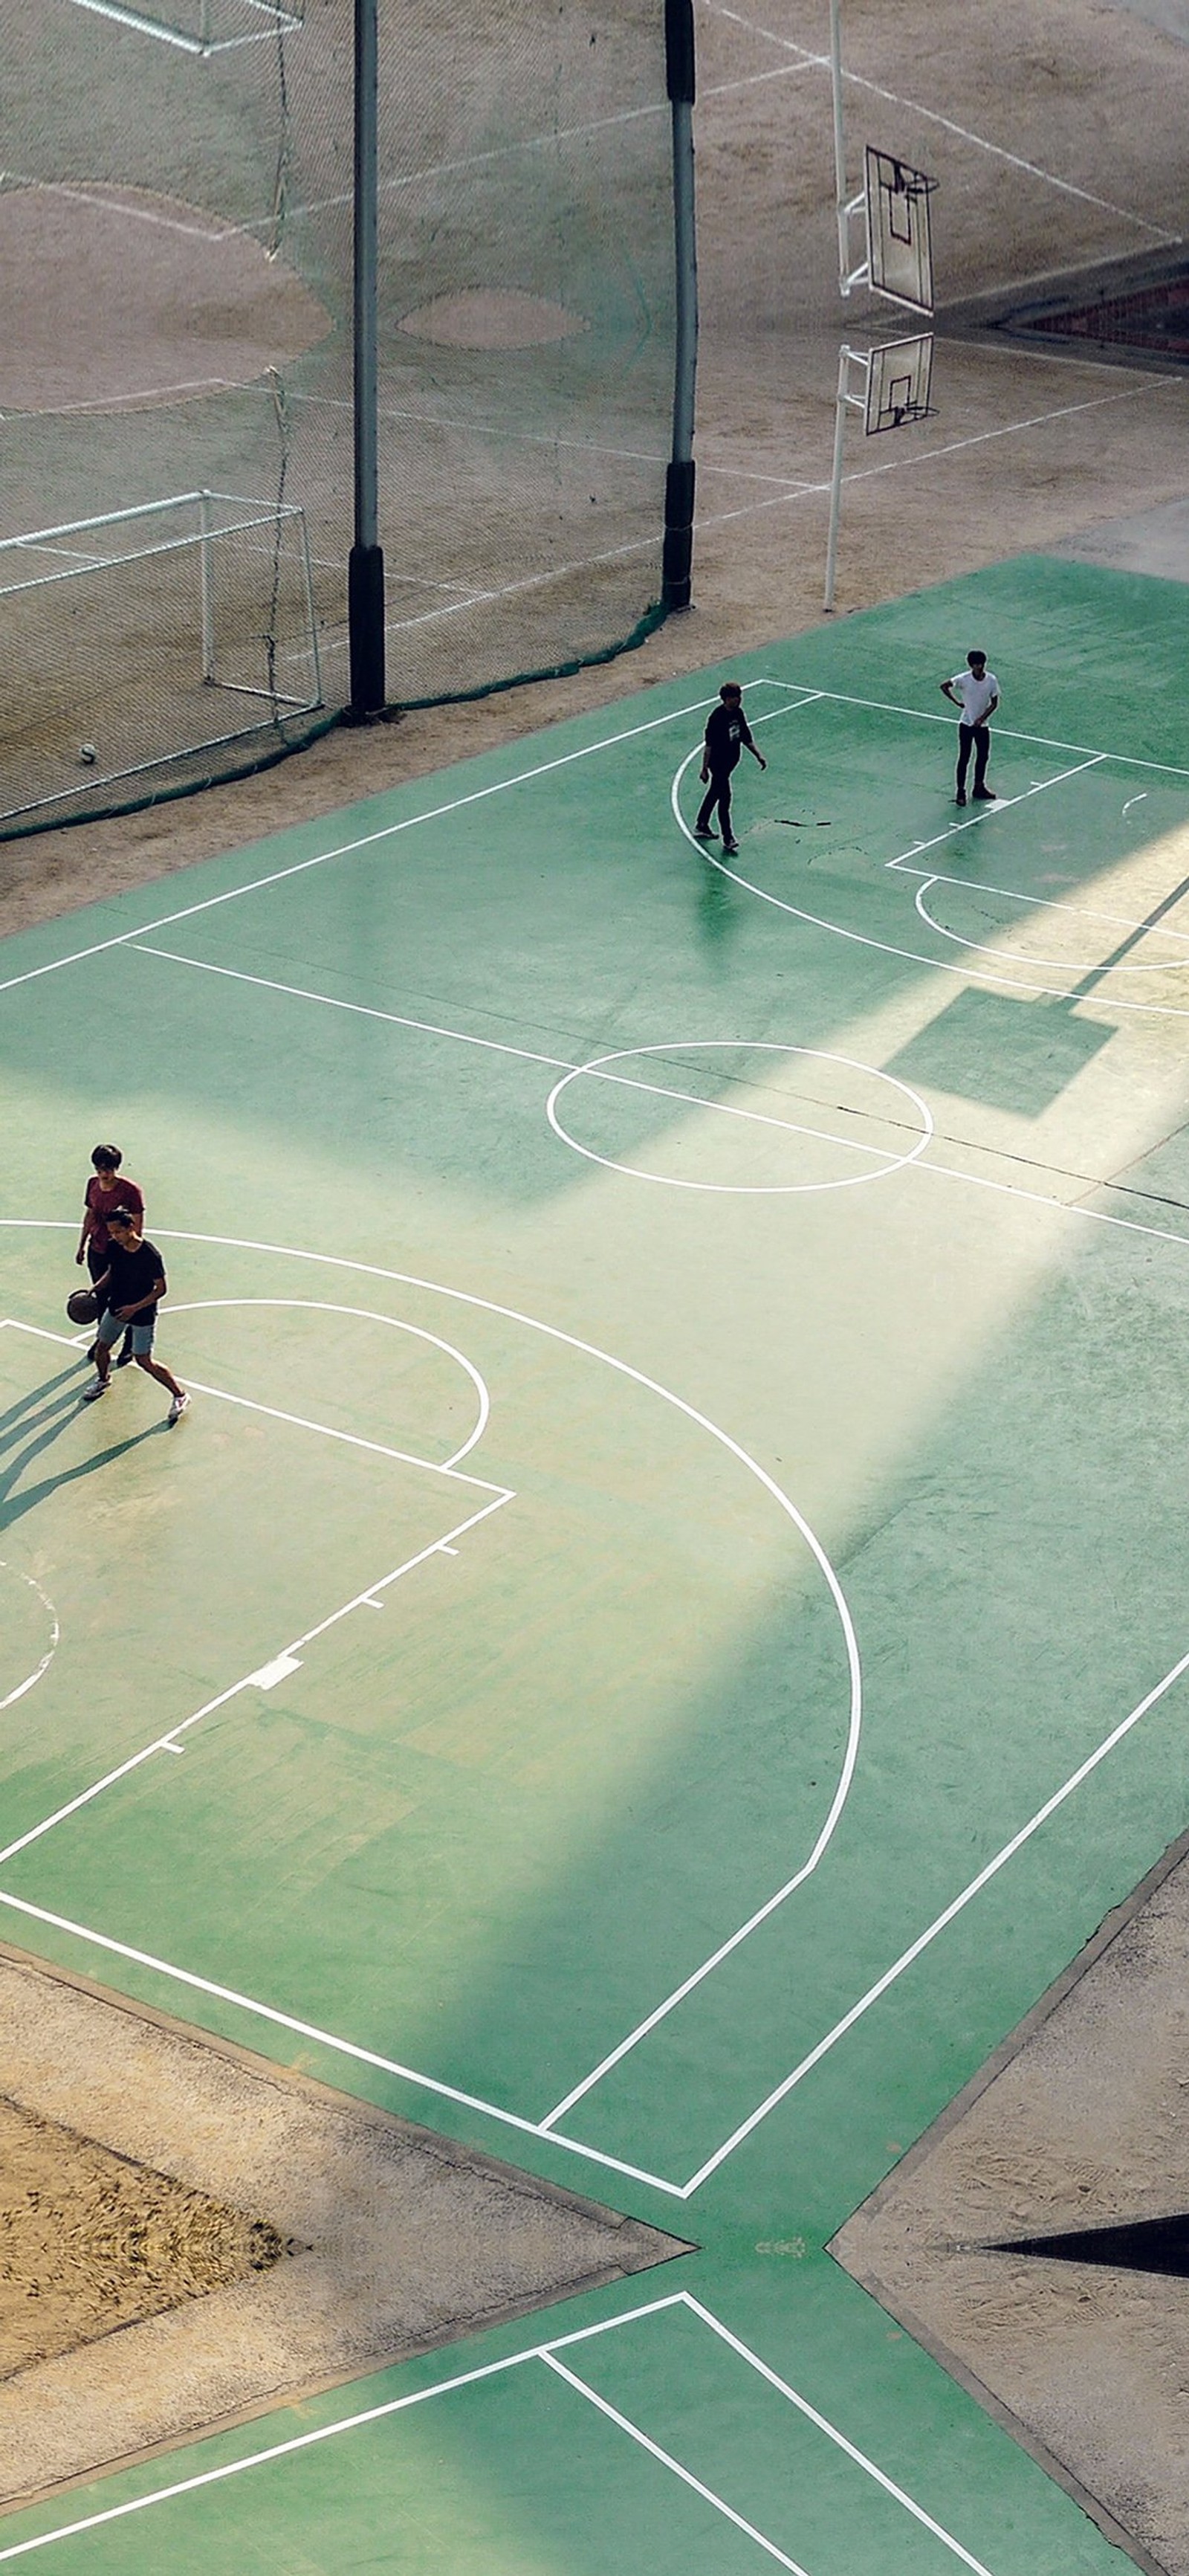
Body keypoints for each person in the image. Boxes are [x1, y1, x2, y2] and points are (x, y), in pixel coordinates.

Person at [82, 1210, 189, 1424]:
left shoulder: (150, 1255)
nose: (114, 1236)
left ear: (131, 1227)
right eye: (111, 1232)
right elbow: (112, 1271)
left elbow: (161, 1289)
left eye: (118, 1231)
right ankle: (103, 1380)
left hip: (142, 1313)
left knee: (143, 1360)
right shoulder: (114, 1247)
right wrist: (95, 1288)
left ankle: (180, 1395)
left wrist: (135, 1307)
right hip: (117, 1307)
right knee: (102, 1348)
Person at [76, 1145, 145, 1368]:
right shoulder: (92, 1185)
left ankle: (129, 1344)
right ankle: (103, 1339)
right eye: (100, 1169)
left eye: (109, 1169)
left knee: (124, 1297)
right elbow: (90, 1214)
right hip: (98, 1250)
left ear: (116, 1168)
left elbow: (137, 1224)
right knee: (102, 1298)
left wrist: (131, 1253)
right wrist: (82, 1244)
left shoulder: (130, 1191)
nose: (104, 1174)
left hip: (121, 1252)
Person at [694, 682, 767, 856]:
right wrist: (704, 769)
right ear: (727, 699)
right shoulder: (716, 718)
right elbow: (709, 746)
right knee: (725, 798)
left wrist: (758, 754)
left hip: (730, 763)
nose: (739, 700)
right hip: (718, 764)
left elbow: (745, 736)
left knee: (715, 793)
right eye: (736, 697)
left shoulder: (738, 713)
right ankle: (728, 838)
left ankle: (702, 824)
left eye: (740, 697)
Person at [941, 650, 1000, 806]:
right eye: (977, 665)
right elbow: (945, 686)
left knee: (983, 757)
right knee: (964, 757)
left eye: (982, 664)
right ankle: (961, 792)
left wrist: (982, 718)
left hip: (982, 726)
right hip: (966, 725)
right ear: (971, 665)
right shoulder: (963, 679)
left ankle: (979, 787)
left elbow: (994, 703)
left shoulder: (991, 680)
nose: (980, 668)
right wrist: (957, 702)